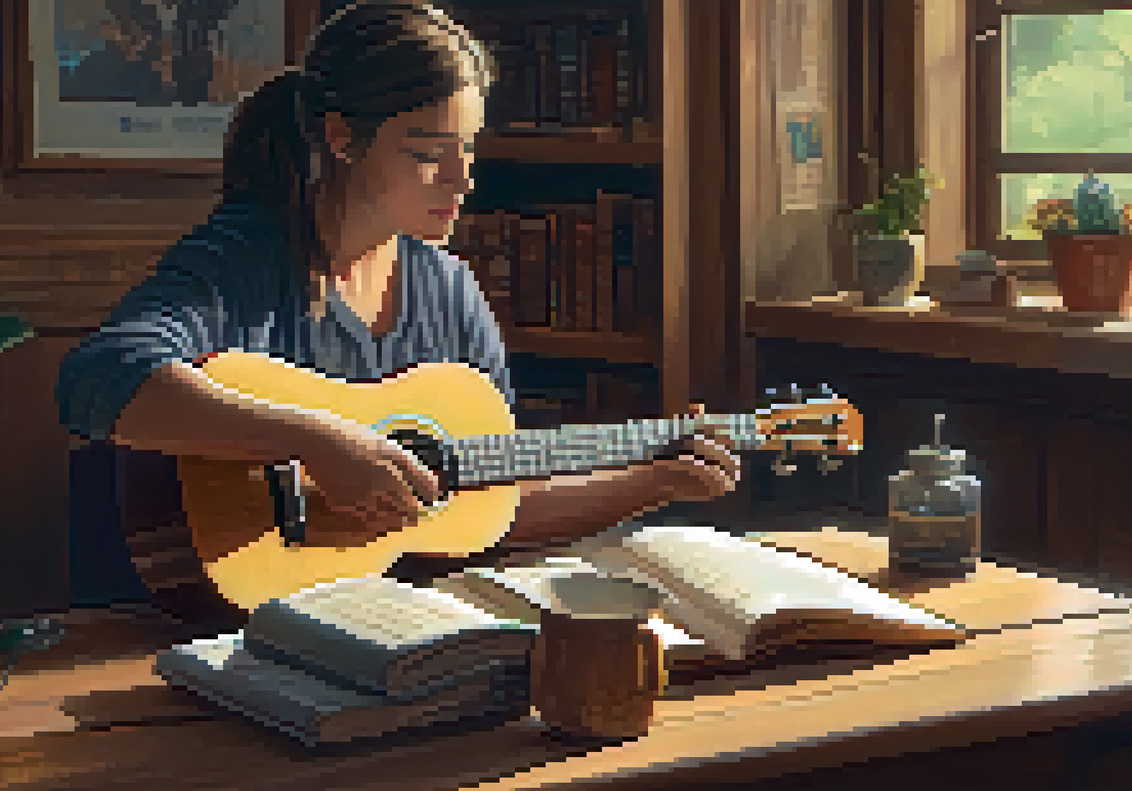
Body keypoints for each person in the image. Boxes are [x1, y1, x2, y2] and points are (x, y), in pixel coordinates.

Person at [56, 2, 741, 582]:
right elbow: (97, 380)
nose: (460, 179)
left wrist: (656, 482)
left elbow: (486, 510)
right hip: (205, 628)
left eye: (468, 147)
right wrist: (318, 441)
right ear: (341, 138)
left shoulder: (451, 289)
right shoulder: (246, 256)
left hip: (390, 623)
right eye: (426, 151)